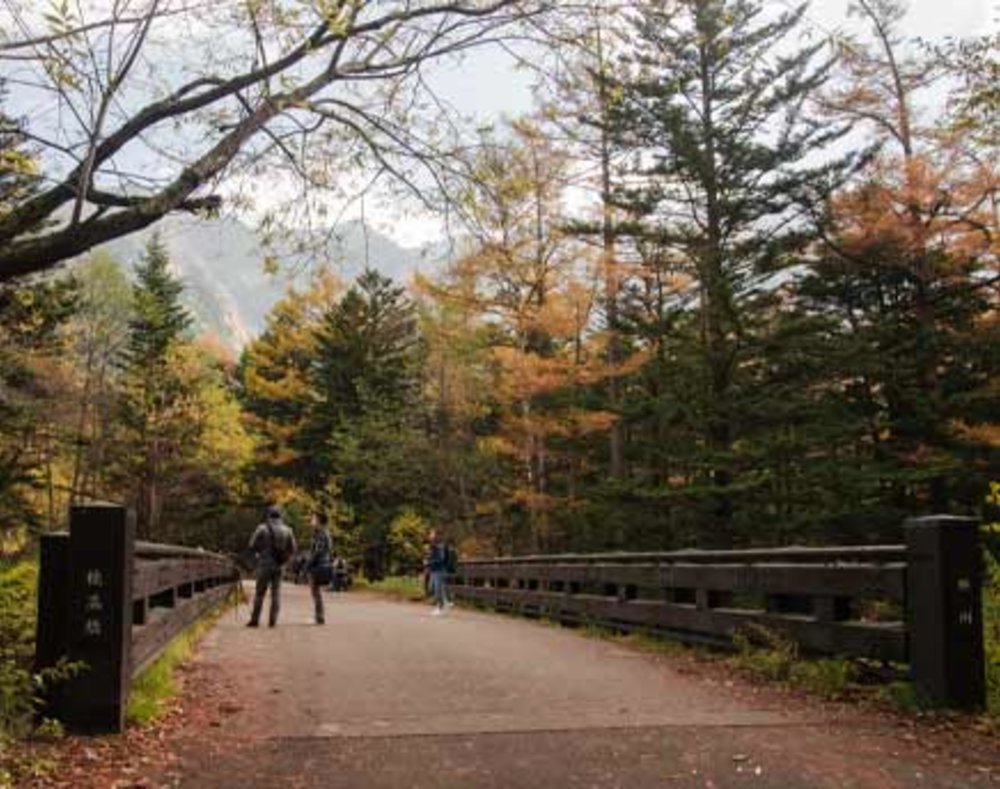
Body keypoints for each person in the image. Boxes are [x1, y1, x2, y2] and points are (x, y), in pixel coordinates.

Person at [247, 505, 297, 628]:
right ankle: (272, 621)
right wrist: (284, 558)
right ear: (281, 516)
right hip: (279, 566)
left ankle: (255, 620)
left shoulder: (262, 528)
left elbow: (251, 544)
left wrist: (260, 552)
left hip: (264, 564)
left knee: (260, 593)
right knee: (276, 593)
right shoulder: (288, 530)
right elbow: (293, 549)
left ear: (269, 515)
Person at [307, 512, 333, 624]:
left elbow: (318, 551)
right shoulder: (320, 532)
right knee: (315, 591)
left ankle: (320, 617)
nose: (311, 520)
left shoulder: (322, 533)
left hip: (319, 565)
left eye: (313, 518)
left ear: (319, 521)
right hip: (319, 564)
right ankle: (319, 616)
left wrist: (308, 563)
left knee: (315, 591)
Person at [426, 529, 450, 615]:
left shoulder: (440, 546)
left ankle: (440, 607)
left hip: (439, 570)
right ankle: (446, 602)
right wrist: (427, 560)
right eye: (430, 534)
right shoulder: (432, 546)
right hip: (433, 570)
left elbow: (441, 559)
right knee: (431, 588)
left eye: (432, 534)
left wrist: (430, 562)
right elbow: (432, 556)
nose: (430, 536)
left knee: (437, 589)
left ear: (436, 536)